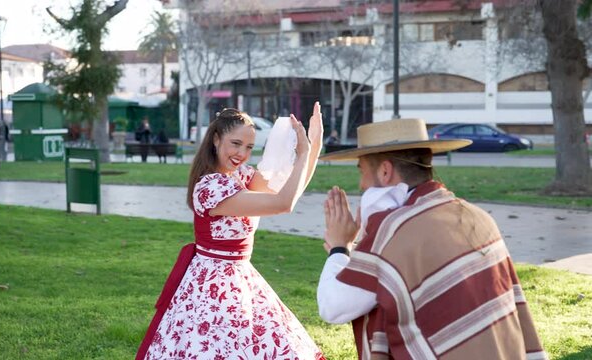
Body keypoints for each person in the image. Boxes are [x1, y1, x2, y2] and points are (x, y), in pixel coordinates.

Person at [316, 118, 546, 360]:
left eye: (361, 171)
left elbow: (334, 306)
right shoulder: (476, 216)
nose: (362, 186)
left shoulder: (392, 233)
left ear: (385, 172)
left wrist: (340, 247)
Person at [136, 102, 326, 360]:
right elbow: (283, 204)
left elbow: (290, 192)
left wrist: (314, 146)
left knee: (271, 345)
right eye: (235, 144)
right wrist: (302, 154)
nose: (242, 153)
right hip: (212, 284)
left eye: (249, 147)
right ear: (216, 139)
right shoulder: (210, 188)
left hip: (241, 276)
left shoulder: (243, 177)